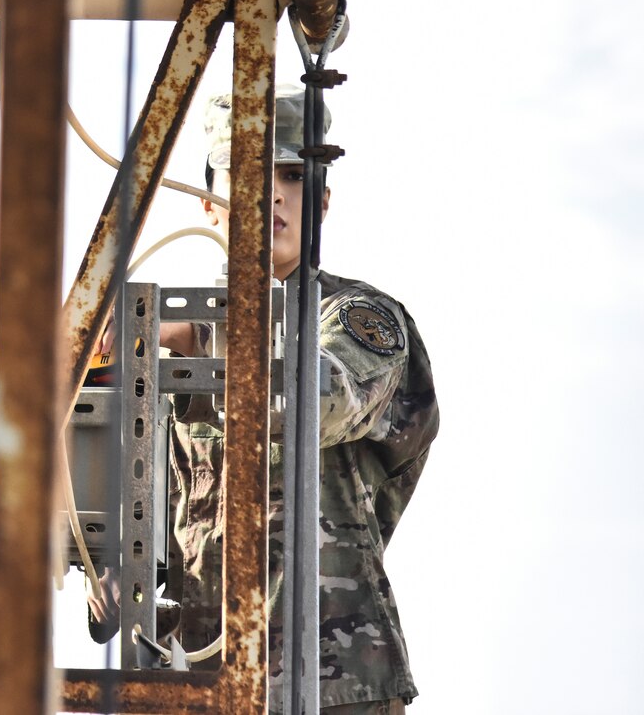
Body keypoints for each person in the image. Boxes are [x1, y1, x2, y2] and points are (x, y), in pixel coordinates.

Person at [88, 85, 439, 714]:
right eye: (248, 174)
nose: (272, 193)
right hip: (202, 683)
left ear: (322, 201)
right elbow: (163, 526)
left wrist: (192, 334)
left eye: (293, 177)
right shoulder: (160, 365)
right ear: (208, 204)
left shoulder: (359, 319)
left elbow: (313, 403)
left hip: (331, 683)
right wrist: (115, 573)